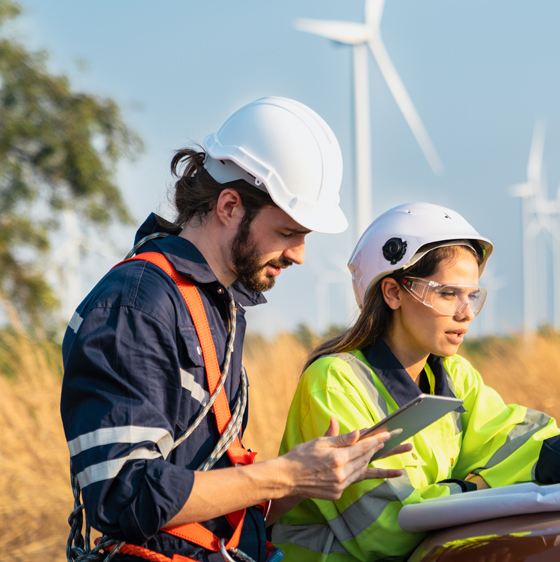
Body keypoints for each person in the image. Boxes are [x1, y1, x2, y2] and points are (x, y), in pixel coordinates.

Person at [61, 97, 411, 562]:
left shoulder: (215, 306)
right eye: (288, 233)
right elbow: (122, 495)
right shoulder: (138, 304)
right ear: (229, 205)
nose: (300, 255)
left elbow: (199, 488)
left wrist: (312, 477)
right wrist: (283, 475)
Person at [272, 202, 560, 561]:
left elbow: (514, 441)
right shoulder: (334, 382)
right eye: (448, 294)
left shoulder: (453, 376)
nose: (466, 313)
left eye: (472, 296)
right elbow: (385, 529)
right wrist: (477, 488)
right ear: (393, 292)